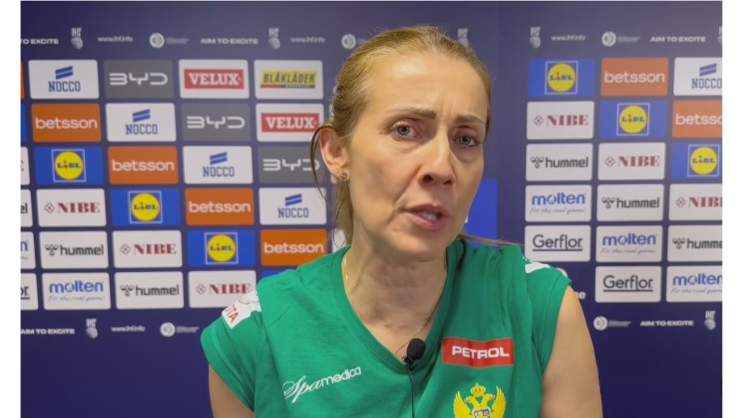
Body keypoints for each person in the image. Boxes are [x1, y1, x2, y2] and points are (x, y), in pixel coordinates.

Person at [201, 25, 603, 418]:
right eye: (406, 130)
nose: (442, 167)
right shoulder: (254, 338)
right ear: (337, 152)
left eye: (466, 138)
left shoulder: (538, 305)